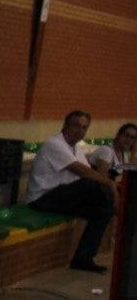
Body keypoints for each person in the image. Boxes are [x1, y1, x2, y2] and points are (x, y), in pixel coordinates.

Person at [25, 110, 118, 273]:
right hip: (42, 198)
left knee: (103, 211)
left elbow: (90, 175)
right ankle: (116, 207)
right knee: (89, 184)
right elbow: (80, 171)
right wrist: (110, 185)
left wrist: (109, 188)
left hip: (64, 199)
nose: (80, 130)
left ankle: (83, 259)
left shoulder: (77, 151)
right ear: (65, 125)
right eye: (76, 125)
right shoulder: (54, 144)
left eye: (84, 127)